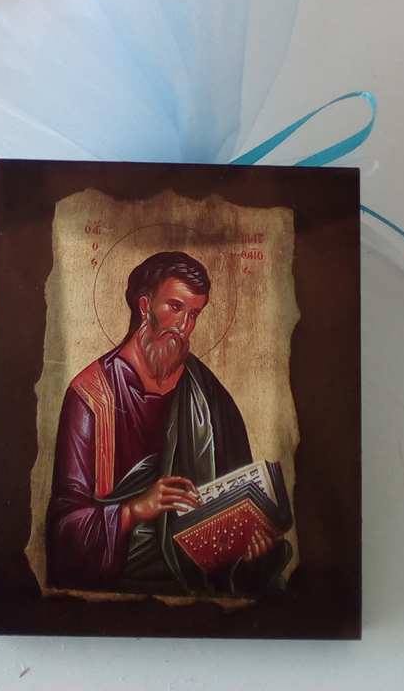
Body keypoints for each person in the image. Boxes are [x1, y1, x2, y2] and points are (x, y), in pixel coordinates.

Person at [45, 250, 289, 596]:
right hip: (122, 580)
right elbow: (64, 534)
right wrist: (134, 510)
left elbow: (237, 499)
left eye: (194, 314)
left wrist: (250, 543)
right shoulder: (90, 396)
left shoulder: (207, 394)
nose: (184, 326)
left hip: (198, 577)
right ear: (145, 306)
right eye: (175, 307)